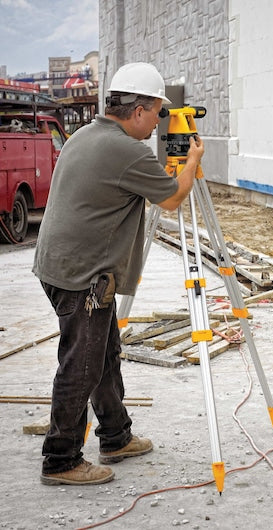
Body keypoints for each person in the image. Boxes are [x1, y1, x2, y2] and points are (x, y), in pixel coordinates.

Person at [32, 62, 204, 486]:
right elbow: (173, 198)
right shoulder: (127, 151)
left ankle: (115, 435)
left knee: (103, 356)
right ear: (140, 110)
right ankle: (61, 459)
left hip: (58, 266)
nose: (157, 125)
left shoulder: (87, 135)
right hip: (82, 276)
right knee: (82, 365)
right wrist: (193, 159)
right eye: (158, 114)